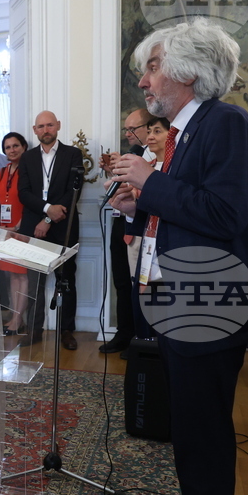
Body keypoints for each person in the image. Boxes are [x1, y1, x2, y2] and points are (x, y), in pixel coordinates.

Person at [108, 17, 248, 495]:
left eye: (152, 67)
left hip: (210, 307)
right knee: (189, 429)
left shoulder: (226, 123)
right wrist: (141, 203)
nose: (144, 81)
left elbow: (227, 214)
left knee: (204, 434)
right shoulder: (188, 131)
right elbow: (193, 208)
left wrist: (149, 180)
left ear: (187, 72)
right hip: (187, 301)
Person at [17, 110, 83, 350]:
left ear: (58, 126)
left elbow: (74, 191)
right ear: (35, 130)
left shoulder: (73, 154)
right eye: (41, 126)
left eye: (50, 125)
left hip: (63, 226)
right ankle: (34, 330)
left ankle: (66, 330)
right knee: (35, 281)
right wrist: (47, 210)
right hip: (33, 227)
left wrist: (49, 219)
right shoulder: (27, 158)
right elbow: (23, 193)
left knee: (66, 280)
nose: (46, 130)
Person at [98, 107, 154, 355]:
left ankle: (141, 337)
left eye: (133, 129)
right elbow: (123, 189)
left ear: (148, 128)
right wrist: (112, 172)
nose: (128, 133)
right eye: (126, 129)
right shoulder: (132, 154)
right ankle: (124, 333)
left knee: (140, 285)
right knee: (121, 281)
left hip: (144, 225)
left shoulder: (156, 156)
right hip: (121, 221)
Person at [0, 132, 30, 336]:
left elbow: (30, 203)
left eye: (16, 146)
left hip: (21, 230)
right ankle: (16, 316)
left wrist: (18, 226)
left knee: (21, 274)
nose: (12, 150)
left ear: (24, 147)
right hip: (4, 231)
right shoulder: (2, 172)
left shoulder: (29, 171)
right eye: (8, 147)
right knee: (11, 275)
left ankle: (18, 319)